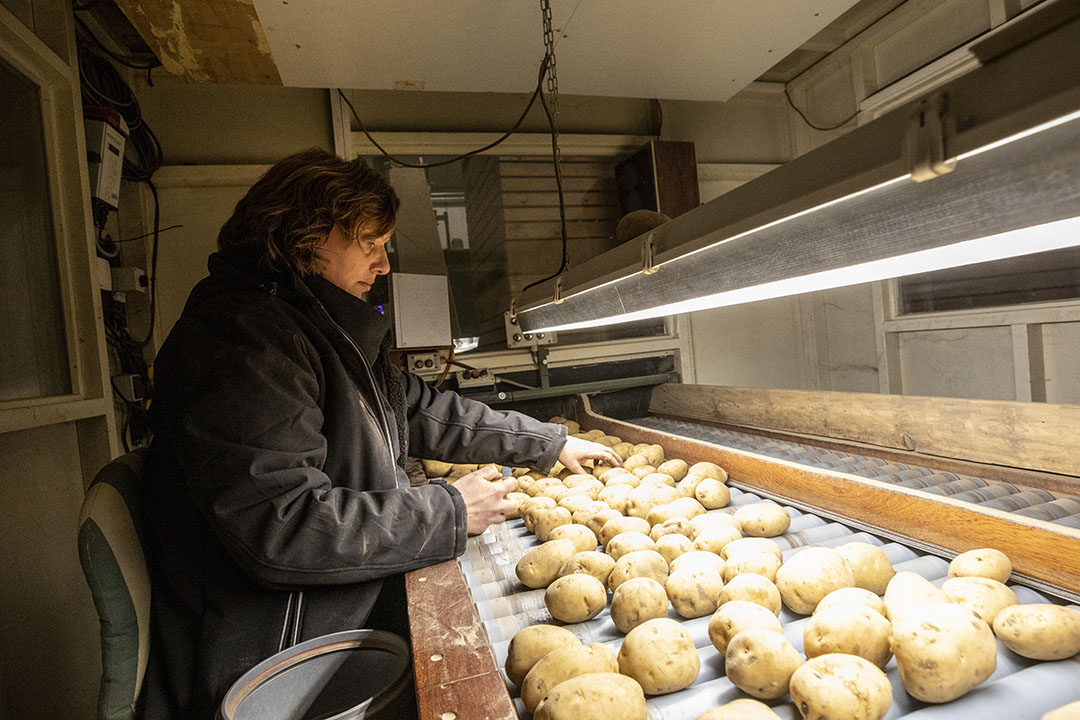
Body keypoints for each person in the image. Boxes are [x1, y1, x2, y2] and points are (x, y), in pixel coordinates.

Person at [139, 148, 620, 719]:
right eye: (370, 244)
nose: (384, 264)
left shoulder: (319, 329)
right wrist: (449, 513)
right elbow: (281, 525)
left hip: (325, 606)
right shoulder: (244, 341)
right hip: (277, 651)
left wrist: (549, 442)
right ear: (304, 238)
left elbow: (416, 411)